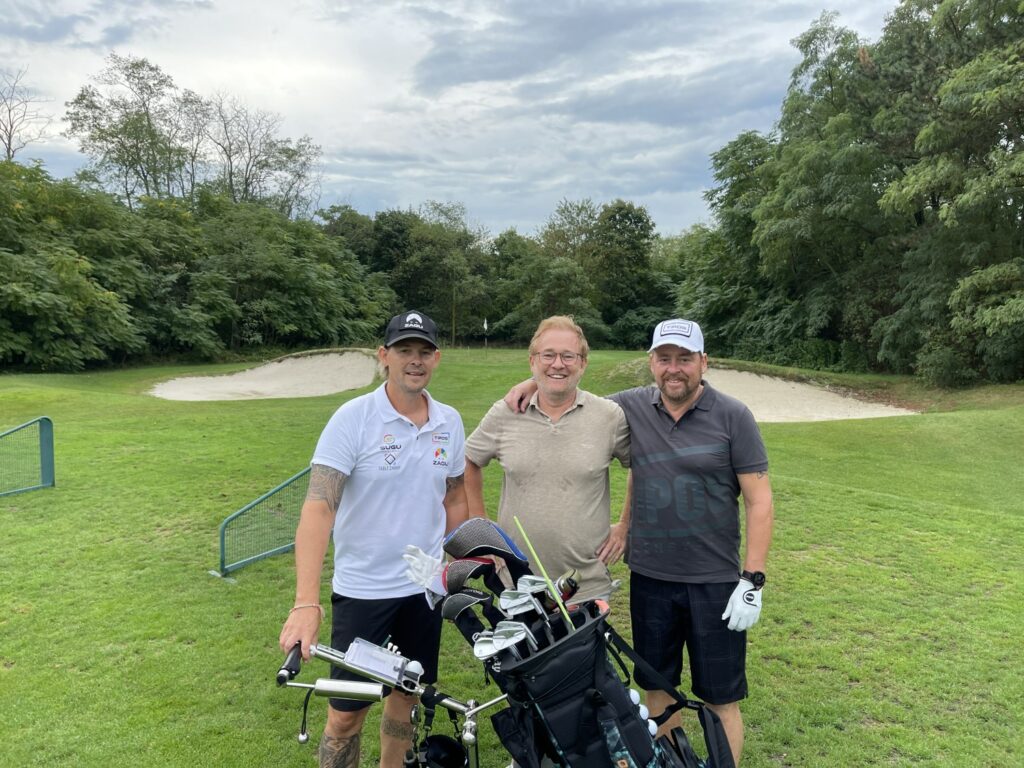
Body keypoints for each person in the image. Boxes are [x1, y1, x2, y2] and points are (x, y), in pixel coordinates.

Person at [505, 319, 773, 766]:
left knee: (720, 698)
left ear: (703, 362)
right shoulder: (629, 407)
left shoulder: (733, 416)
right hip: (651, 578)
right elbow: (569, 394)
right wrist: (532, 383)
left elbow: (759, 501)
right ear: (651, 363)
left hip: (715, 583)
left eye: (684, 359)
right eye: (664, 358)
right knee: (658, 690)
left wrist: (753, 580)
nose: (674, 368)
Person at [279, 310, 468, 768]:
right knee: (346, 715)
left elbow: (455, 496)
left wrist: (456, 565)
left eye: (424, 351)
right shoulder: (354, 418)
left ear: (437, 358)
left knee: (405, 697)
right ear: (384, 356)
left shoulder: (449, 421)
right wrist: (306, 603)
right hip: (363, 592)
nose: (415, 360)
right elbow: (319, 507)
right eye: (404, 350)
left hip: (423, 592)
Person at [465, 315, 630, 604]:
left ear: (583, 363)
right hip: (518, 584)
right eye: (548, 355)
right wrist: (482, 527)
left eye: (568, 356)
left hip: (587, 586)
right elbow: (468, 461)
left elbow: (641, 466)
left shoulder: (609, 416)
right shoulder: (505, 413)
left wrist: (626, 525)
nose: (558, 364)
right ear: (532, 361)